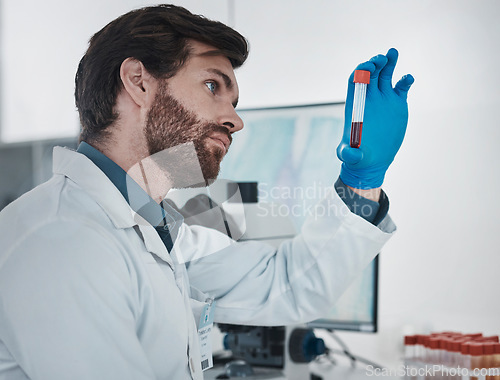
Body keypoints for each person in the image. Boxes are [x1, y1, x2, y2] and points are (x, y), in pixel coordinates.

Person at [0, 4, 414, 380]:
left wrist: (363, 179)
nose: (235, 120)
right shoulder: (62, 240)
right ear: (138, 83)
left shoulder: (158, 233)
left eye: (234, 100)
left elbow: (287, 283)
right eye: (214, 86)